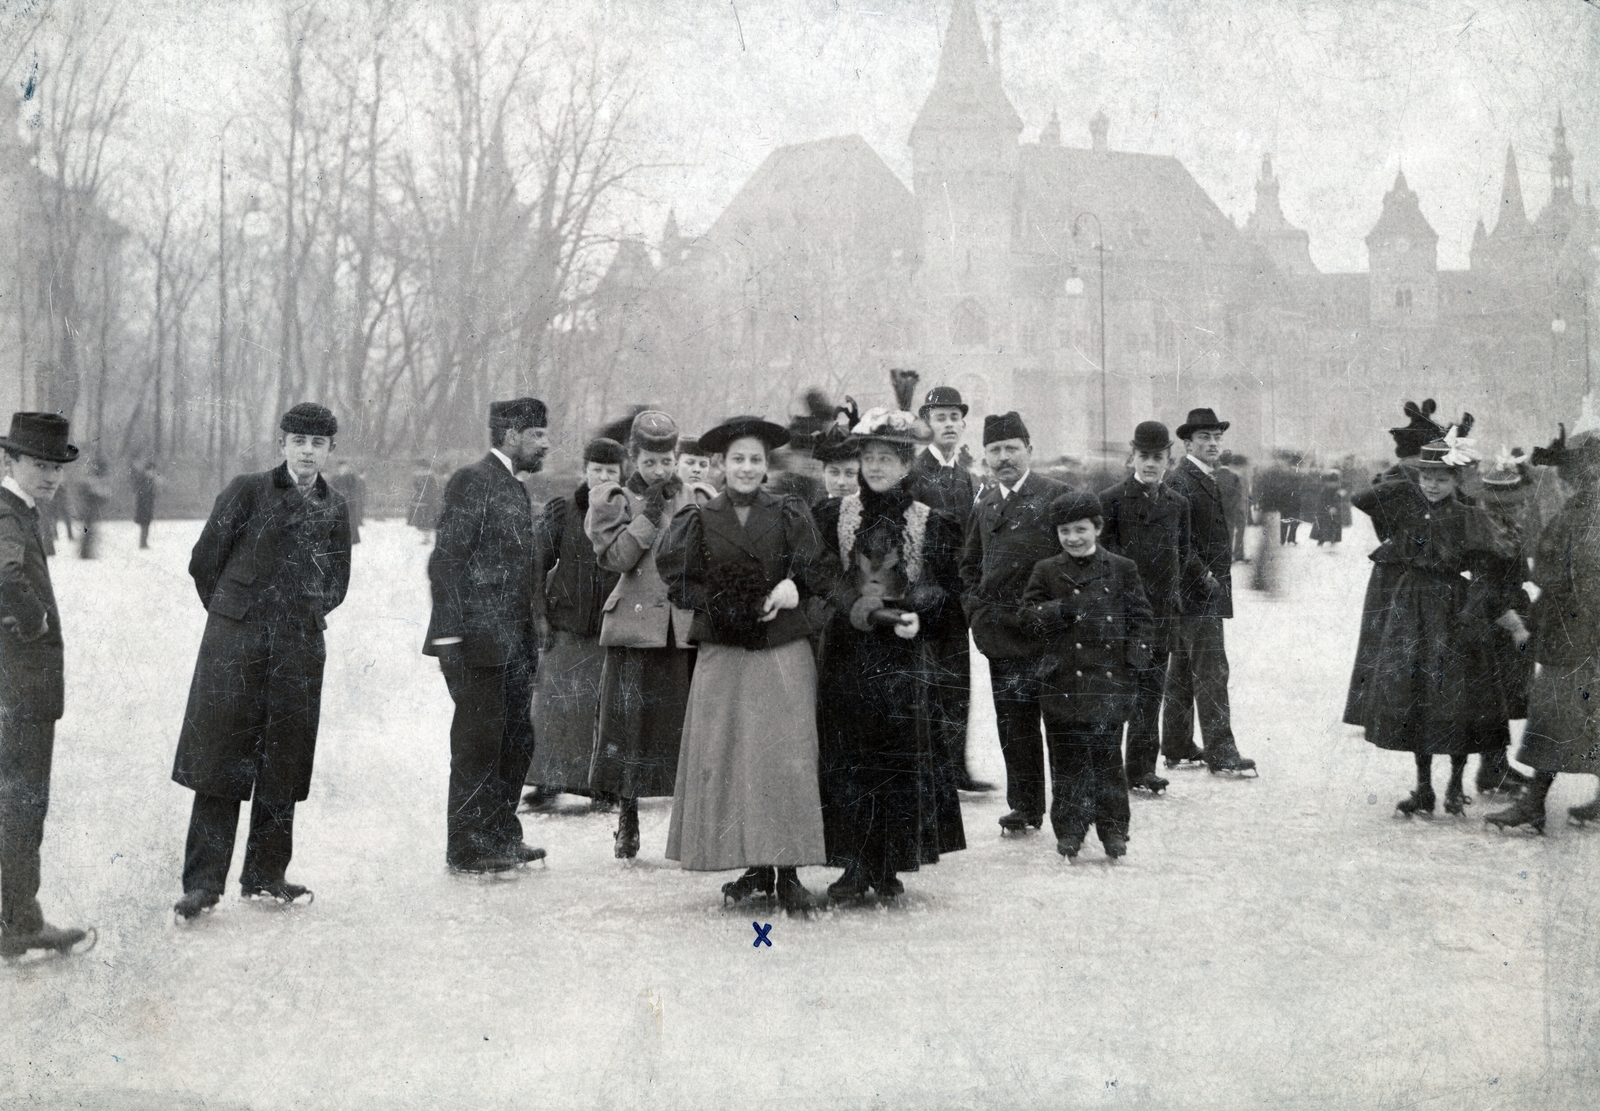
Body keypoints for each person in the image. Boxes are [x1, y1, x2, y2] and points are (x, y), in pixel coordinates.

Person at [170, 404, 352, 921]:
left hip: (297, 649)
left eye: (317, 443)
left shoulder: (335, 505)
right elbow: (205, 559)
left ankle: (266, 876)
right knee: (220, 763)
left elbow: (338, 580)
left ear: (330, 450)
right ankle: (203, 884)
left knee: (283, 762)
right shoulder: (248, 489)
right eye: (297, 440)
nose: (306, 450)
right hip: (237, 648)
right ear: (282, 444)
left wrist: (302, 610)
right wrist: (236, 613)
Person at [658, 415, 831, 913]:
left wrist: (792, 585)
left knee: (786, 757)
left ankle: (790, 869)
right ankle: (754, 867)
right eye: (738, 459)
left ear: (766, 465)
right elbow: (680, 581)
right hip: (725, 650)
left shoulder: (790, 512)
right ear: (720, 465)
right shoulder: (699, 518)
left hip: (781, 649)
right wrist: (719, 601)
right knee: (734, 756)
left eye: (756, 459)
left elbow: (816, 569)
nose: (748, 468)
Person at [814, 406, 966, 902]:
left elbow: (945, 586)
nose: (875, 467)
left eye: (887, 459)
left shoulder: (931, 521)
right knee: (850, 755)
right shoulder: (835, 514)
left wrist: (918, 610)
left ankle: (891, 864)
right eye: (869, 458)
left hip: (902, 652)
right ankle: (854, 862)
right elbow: (822, 574)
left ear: (906, 465)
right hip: (848, 652)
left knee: (897, 756)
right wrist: (851, 605)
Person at [1349, 427, 1526, 818]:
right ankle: (1424, 787)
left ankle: (1455, 785)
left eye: (1441, 479)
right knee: (1419, 701)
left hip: (1454, 614)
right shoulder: (1408, 511)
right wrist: (1406, 467)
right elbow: (1363, 499)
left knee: (1457, 703)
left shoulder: (1470, 517)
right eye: (1426, 477)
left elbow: (1483, 576)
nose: (1432, 485)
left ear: (1456, 480)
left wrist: (1482, 617)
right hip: (1411, 614)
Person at [424, 398, 550, 875]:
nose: (545, 444)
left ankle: (501, 833)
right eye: (538, 435)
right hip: (475, 642)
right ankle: (468, 846)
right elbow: (447, 561)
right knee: (478, 743)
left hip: (515, 643)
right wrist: (449, 638)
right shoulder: (472, 480)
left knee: (516, 739)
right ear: (513, 434)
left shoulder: (513, 487)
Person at [585, 412, 714, 859]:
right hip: (636, 630)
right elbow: (616, 559)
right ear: (632, 458)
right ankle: (628, 816)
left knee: (684, 729)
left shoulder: (696, 496)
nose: (660, 470)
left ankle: (692, 824)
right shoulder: (612, 499)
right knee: (632, 729)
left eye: (666, 461)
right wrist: (648, 518)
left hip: (680, 627)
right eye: (650, 462)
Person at [0, 413, 92, 959]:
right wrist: (33, 619)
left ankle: (14, 917)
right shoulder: (9, 515)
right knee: (21, 804)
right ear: (10, 462)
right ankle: (20, 922)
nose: (51, 475)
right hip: (20, 687)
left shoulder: (19, 512)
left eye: (57, 466)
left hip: (15, 686)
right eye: (39, 464)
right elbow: (6, 576)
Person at [1021, 491, 1156, 860]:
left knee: (1107, 759)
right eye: (1064, 531)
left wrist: (1135, 659)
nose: (1073, 538)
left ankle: (1114, 830)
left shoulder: (1121, 567)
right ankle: (1070, 829)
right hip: (1062, 680)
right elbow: (1028, 615)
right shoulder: (1046, 570)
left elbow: (1141, 616)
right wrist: (1060, 609)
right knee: (1066, 759)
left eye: (1080, 529)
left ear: (1097, 527)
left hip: (1108, 681)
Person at [959, 411, 1070, 832]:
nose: (1003, 457)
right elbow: (970, 564)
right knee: (1014, 723)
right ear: (986, 455)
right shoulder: (985, 502)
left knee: (1060, 723)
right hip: (1002, 635)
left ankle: (1070, 809)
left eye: (1012, 449)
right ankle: (1024, 805)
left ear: (1029, 450)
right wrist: (977, 612)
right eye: (995, 450)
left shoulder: (1057, 496)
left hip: (1049, 632)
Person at [1485, 424, 1600, 832]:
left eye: (1569, 470)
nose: (1564, 480)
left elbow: (1578, 574)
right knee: (1586, 710)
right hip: (1576, 625)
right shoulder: (1584, 507)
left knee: (1553, 712)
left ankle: (1534, 803)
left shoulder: (1588, 512)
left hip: (1577, 630)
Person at [521, 437, 625, 810]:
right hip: (566, 623)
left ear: (621, 475)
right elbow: (537, 563)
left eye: (610, 472)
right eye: (596, 470)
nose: (602, 477)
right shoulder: (563, 512)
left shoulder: (627, 513)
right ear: (585, 471)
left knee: (601, 710)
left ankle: (601, 784)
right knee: (554, 708)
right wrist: (540, 616)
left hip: (609, 629)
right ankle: (547, 780)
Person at [1099, 420, 1193, 793]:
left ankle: (1141, 769)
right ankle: (1108, 769)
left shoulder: (1177, 504)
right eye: (1144, 457)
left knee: (1151, 693)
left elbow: (1183, 554)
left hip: (1163, 615)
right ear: (1132, 457)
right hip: (1124, 615)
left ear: (1169, 461)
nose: (1150, 464)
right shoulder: (1112, 500)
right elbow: (1102, 558)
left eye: (1158, 458)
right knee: (1119, 692)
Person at [1343, 400, 1447, 729]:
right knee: (1391, 639)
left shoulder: (1407, 475)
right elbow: (1362, 499)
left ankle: (1377, 709)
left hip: (1401, 566)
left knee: (1390, 639)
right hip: (1398, 567)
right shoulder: (1403, 476)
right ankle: (1382, 711)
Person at [1162, 408, 1256, 774]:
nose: (1213, 443)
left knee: (1184, 669)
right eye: (1204, 438)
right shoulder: (1182, 480)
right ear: (1188, 443)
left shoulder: (1201, 476)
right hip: (1196, 590)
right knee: (1212, 670)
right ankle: (1221, 750)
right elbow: (1176, 540)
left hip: (1198, 590)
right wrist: (1203, 575)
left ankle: (1178, 743)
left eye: (1217, 437)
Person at [910, 385, 992, 794]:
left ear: (963, 424)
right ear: (927, 423)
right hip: (925, 595)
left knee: (957, 683)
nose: (948, 424)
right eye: (939, 417)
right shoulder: (914, 474)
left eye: (954, 417)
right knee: (925, 681)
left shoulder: (966, 476)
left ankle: (956, 769)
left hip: (957, 598)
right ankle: (931, 772)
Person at [1472, 449, 1536, 797]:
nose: (1517, 505)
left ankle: (1496, 764)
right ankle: (1492, 768)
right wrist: (1515, 626)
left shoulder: (1505, 526)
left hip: (1509, 612)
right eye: (1509, 500)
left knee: (1503, 696)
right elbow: (1484, 589)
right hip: (1495, 621)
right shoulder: (1488, 534)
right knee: (1492, 696)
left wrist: (1521, 466)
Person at [1214, 450, 1248, 562]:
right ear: (1230, 462)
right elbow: (1237, 495)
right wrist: (1231, 506)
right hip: (1231, 509)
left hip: (1217, 509)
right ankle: (1237, 555)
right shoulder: (1234, 477)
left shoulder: (1214, 476)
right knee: (1233, 530)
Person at [76, 458, 110, 560]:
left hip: (90, 509)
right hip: (91, 509)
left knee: (89, 530)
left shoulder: (90, 480)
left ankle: (86, 553)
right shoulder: (93, 481)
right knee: (89, 530)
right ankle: (86, 553)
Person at [329, 459, 367, 545]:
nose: (343, 469)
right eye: (341, 467)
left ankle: (352, 538)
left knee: (350, 521)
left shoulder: (351, 477)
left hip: (349, 503)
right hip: (338, 502)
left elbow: (354, 489)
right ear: (338, 468)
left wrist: (350, 497)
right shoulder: (335, 478)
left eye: (344, 467)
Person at [1309, 469, 1344, 547]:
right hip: (1333, 508)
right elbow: (1336, 499)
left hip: (1324, 509)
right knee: (1333, 524)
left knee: (1323, 524)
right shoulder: (1336, 487)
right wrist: (1333, 507)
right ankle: (1333, 539)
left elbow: (1323, 498)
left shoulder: (1325, 486)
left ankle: (1321, 540)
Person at [131, 456, 159, 549]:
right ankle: (143, 543)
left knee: (146, 525)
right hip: (144, 506)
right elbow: (144, 494)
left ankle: (144, 543)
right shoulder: (145, 480)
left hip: (147, 506)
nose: (153, 473)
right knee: (145, 525)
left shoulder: (148, 480)